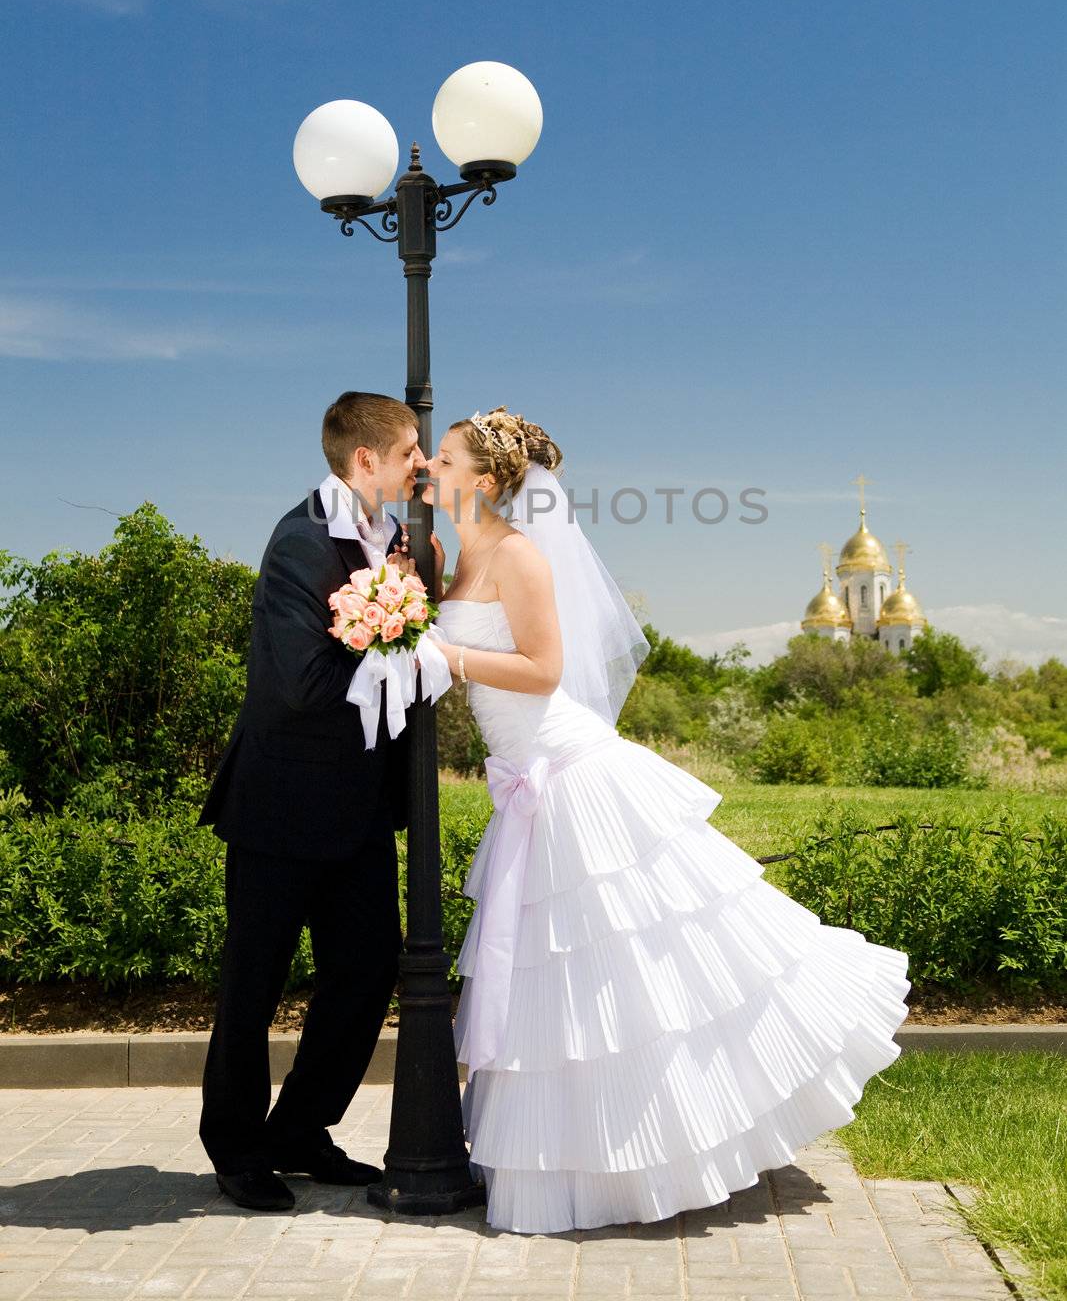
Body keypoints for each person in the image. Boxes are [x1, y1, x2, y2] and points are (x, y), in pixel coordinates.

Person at [426, 406, 911, 1235]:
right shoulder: (452, 554)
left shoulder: (518, 556)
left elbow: (544, 670)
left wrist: (442, 655)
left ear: (483, 479)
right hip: (523, 780)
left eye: (442, 455)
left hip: (568, 775)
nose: (429, 466)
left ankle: (658, 1146)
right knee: (565, 988)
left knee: (619, 979)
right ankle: (580, 1164)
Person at [197, 391, 424, 1212]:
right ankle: (235, 1145)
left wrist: (398, 609)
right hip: (281, 803)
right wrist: (380, 625)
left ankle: (299, 1130)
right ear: (365, 461)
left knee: (364, 975)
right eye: (408, 452)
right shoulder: (299, 542)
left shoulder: (396, 539)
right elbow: (295, 687)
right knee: (251, 986)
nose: (420, 464)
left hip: (360, 806)